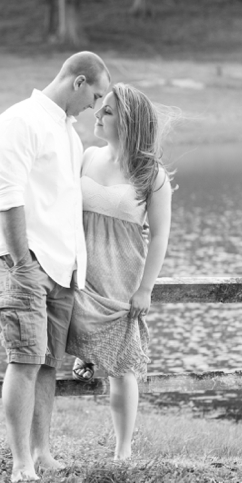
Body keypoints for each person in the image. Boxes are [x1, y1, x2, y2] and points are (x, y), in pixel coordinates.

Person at [0, 52, 111, 482]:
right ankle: (20, 464)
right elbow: (8, 197)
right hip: (24, 260)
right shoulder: (19, 121)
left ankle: (42, 453)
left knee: (48, 364)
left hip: (60, 267)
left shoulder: (69, 134)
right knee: (25, 358)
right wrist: (22, 264)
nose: (94, 106)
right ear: (77, 82)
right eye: (94, 95)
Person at [66, 83, 174, 461]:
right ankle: (86, 354)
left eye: (108, 112)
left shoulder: (151, 175)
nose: (97, 114)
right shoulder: (87, 157)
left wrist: (145, 289)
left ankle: (122, 451)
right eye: (100, 108)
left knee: (124, 368)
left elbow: (160, 236)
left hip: (122, 275)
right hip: (82, 270)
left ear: (128, 123)